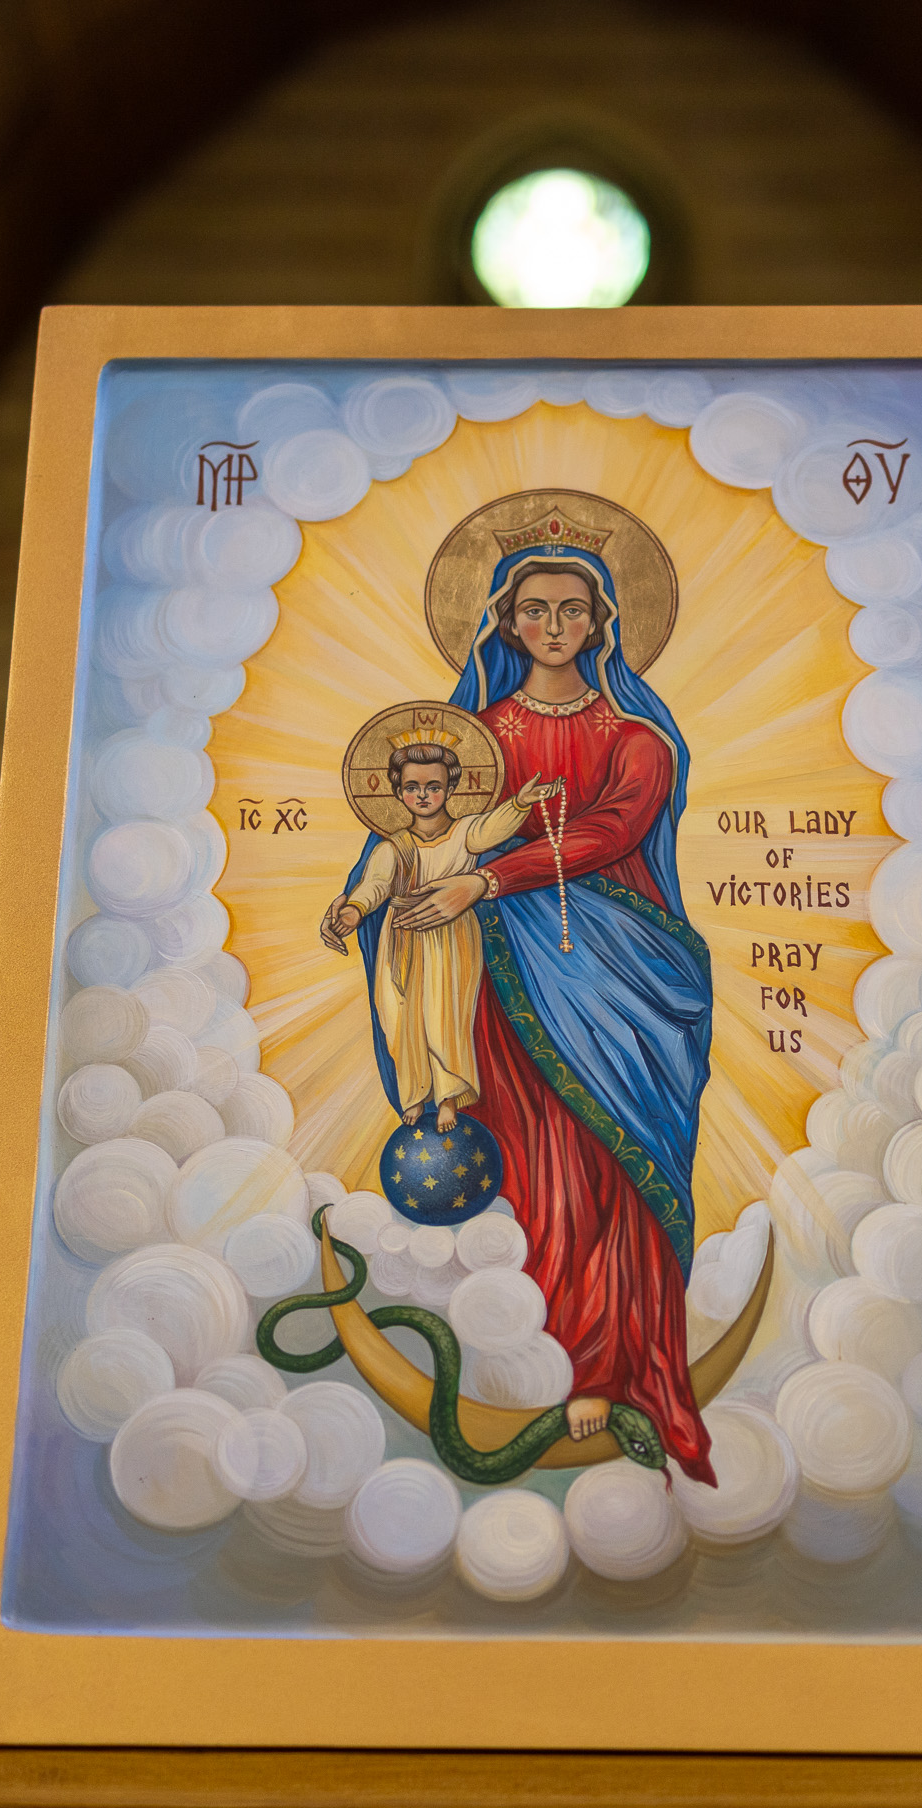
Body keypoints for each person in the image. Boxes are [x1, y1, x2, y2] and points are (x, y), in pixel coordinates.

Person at [343, 529, 717, 1477]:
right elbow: (415, 831)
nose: (554, 625)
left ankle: (612, 1360)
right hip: (496, 975)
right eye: (534, 609)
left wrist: (486, 881)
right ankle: (535, 1350)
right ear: (504, 622)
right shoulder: (473, 740)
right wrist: (374, 897)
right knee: (535, 1160)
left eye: (573, 609)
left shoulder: (638, 741)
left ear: (602, 624)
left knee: (608, 1160)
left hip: (621, 973)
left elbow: (611, 828)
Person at [318, 733, 560, 1133]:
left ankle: (447, 1098)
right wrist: (354, 911)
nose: (424, 795)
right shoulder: (392, 847)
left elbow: (492, 829)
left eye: (434, 786)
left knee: (442, 1016)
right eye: (412, 787)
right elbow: (374, 885)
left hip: (450, 938)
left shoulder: (465, 831)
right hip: (401, 939)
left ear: (449, 788)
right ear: (398, 793)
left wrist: (520, 803)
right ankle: (414, 1095)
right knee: (396, 1017)